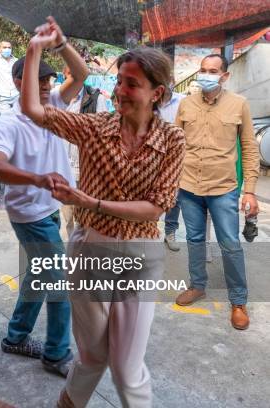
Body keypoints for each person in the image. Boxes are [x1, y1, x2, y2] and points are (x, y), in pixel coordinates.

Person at [19, 17, 184, 407]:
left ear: (157, 93)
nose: (120, 91)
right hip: (91, 251)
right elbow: (32, 108)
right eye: (119, 81)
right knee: (93, 356)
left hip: (142, 257)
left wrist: (87, 201)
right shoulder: (94, 128)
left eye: (132, 84)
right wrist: (36, 50)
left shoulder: (173, 139)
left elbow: (156, 207)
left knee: (127, 369)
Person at [0, 17, 89, 378]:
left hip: (49, 210)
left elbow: (82, 74)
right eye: (39, 79)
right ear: (20, 83)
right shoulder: (11, 123)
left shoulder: (55, 104)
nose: (47, 85)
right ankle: (56, 354)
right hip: (30, 214)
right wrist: (36, 178)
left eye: (48, 79)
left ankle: (15, 337)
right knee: (61, 286)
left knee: (39, 278)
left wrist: (59, 43)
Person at [174, 54, 260, 330]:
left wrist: (250, 191)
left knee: (230, 244)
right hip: (188, 187)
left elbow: (249, 148)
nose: (206, 75)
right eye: (203, 70)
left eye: (213, 71)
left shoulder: (239, 105)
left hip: (223, 189)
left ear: (224, 76)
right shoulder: (186, 104)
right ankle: (197, 285)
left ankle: (238, 301)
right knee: (195, 239)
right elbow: (175, 146)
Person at [60, 68, 109, 237]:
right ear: (65, 76)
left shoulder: (96, 98)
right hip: (62, 163)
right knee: (67, 209)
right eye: (70, 76)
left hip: (86, 163)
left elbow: (104, 131)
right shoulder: (56, 98)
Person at [158, 83, 186, 252]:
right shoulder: (149, 99)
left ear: (173, 82)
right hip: (151, 155)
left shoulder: (184, 101)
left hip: (175, 156)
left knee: (175, 197)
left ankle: (170, 232)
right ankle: (147, 229)